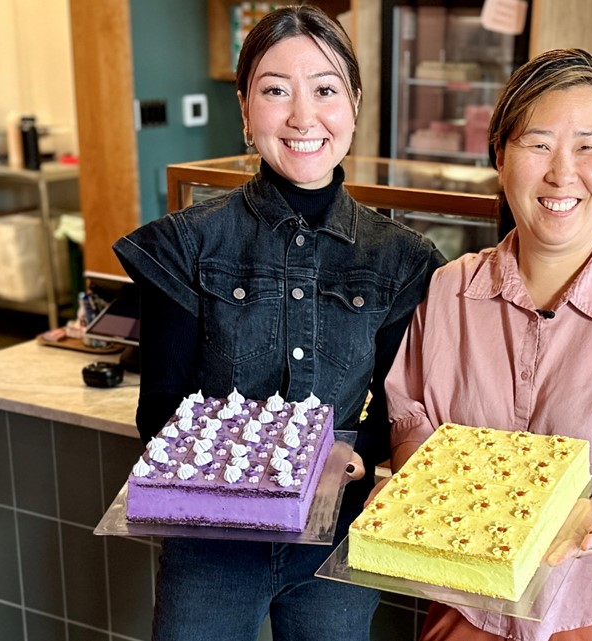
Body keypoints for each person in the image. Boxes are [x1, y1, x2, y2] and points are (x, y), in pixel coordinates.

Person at [112, 6, 445, 640]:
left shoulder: (402, 260)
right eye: (274, 90)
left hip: (336, 545)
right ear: (244, 109)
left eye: (324, 90)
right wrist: (256, 466)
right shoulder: (186, 246)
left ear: (353, 106)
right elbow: (159, 411)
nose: (301, 116)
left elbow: (401, 412)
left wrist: (356, 452)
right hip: (208, 543)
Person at [383, 49, 592, 641]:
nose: (562, 173)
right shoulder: (449, 291)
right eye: (538, 144)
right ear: (499, 155)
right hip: (467, 596)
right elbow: (413, 418)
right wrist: (433, 493)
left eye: (588, 146)